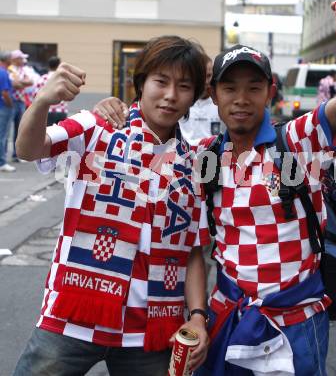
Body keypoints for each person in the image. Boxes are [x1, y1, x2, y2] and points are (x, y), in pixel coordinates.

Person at [92, 0, 336, 375]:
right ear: (213, 95)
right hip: (229, 316)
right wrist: (114, 109)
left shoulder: (298, 141)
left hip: (296, 320)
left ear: (270, 92)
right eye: (230, 88)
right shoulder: (206, 157)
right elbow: (153, 136)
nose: (241, 99)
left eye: (253, 88)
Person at [14, 36, 211, 375]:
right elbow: (30, 149)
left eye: (184, 86)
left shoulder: (191, 163)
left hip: (150, 331)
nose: (170, 95)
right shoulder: (97, 128)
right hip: (73, 316)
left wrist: (197, 316)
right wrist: (43, 100)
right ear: (142, 82)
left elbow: (192, 250)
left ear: (193, 96)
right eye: (161, 81)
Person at [179, 56, 224, 144]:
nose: (204, 81)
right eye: (200, 75)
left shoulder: (221, 103)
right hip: (184, 155)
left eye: (208, 76)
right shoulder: (180, 101)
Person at [8, 49, 37, 162]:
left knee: (18, 129)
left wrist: (20, 83)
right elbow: (14, 84)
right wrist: (21, 83)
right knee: (5, 130)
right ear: (15, 59)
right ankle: (4, 157)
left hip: (20, 101)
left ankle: (16, 154)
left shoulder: (21, 70)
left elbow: (30, 82)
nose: (23, 60)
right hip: (12, 101)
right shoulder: (11, 69)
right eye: (21, 58)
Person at [33, 56, 68, 125]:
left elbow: (35, 95)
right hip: (62, 110)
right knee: (61, 134)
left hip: (47, 111)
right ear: (59, 65)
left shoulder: (42, 78)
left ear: (48, 65)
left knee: (47, 133)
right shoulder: (63, 78)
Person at [0, 51, 15, 172]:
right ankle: (2, 162)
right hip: (4, 107)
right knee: (3, 135)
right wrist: (10, 104)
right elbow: (5, 92)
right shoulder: (3, 72)